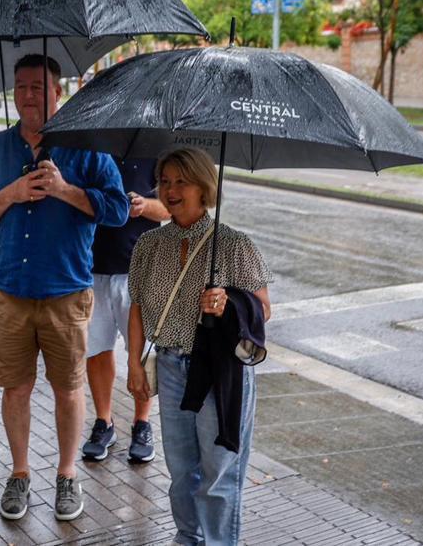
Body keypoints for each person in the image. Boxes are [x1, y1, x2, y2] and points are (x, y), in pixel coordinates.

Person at [0, 54, 129, 522]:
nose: (28, 95)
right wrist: (9, 195)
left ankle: (66, 474)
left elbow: (117, 210)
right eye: (20, 86)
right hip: (13, 293)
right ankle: (19, 474)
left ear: (59, 90)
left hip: (66, 294)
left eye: (38, 86)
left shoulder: (88, 148)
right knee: (15, 389)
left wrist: (63, 189)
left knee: (68, 389)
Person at [125, 147, 272, 546]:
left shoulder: (234, 244)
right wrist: (134, 365)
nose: (170, 190)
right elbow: (137, 308)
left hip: (220, 373)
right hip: (171, 369)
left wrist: (228, 303)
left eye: (181, 182)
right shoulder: (149, 246)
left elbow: (263, 310)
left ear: (204, 187)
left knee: (219, 472)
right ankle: (187, 538)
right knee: (181, 470)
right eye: (165, 181)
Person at [81, 158, 170, 463]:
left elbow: (170, 208)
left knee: (141, 351)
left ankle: (142, 423)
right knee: (97, 349)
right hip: (93, 268)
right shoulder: (92, 151)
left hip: (138, 270)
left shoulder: (155, 151)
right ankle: (104, 422)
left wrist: (144, 205)